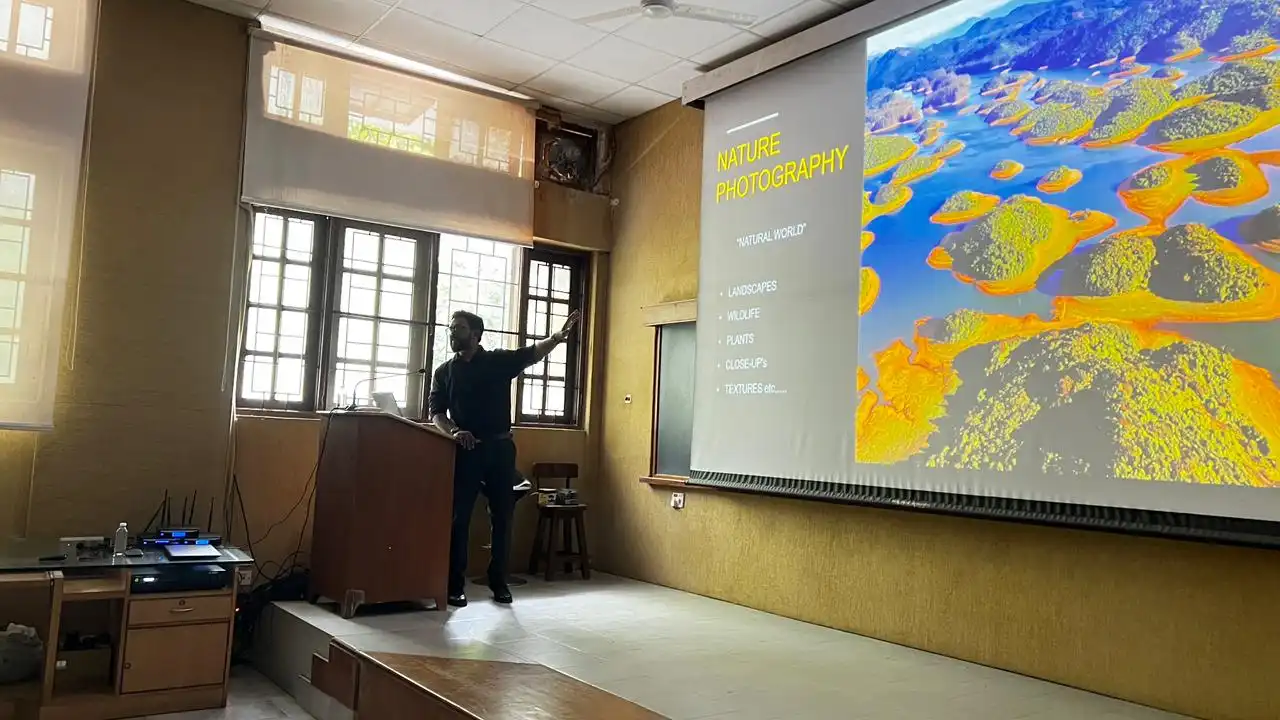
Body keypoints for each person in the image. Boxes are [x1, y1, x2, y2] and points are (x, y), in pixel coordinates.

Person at [428, 308, 580, 607]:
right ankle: (454, 586)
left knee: (502, 517)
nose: (452, 332)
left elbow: (531, 353)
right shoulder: (444, 372)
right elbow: (436, 413)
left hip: (499, 450)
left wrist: (556, 338)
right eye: (451, 327)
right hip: (466, 451)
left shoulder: (497, 361)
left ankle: (499, 582)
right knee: (459, 518)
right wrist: (455, 431)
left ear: (475, 334)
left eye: (459, 328)